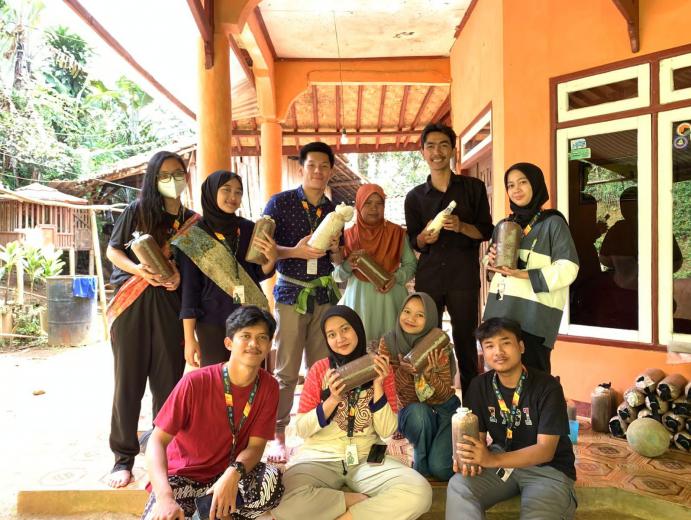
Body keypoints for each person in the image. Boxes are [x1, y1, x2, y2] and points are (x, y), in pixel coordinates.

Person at [272, 305, 432, 520]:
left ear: (357, 328)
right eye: (331, 334)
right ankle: (350, 501)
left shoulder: (379, 367)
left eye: (345, 329)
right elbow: (301, 429)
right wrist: (332, 400)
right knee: (281, 502)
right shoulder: (319, 370)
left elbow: (387, 430)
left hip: (367, 457)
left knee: (420, 492)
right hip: (320, 457)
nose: (340, 339)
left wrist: (378, 385)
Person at [105, 151, 200, 488]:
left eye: (178, 173)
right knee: (128, 383)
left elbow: (197, 271)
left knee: (167, 384)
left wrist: (180, 277)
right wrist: (139, 270)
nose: (173, 180)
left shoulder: (194, 222)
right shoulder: (138, 211)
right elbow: (113, 250)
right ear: (153, 179)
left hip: (171, 309)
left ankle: (163, 452)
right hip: (131, 305)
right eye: (165, 175)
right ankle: (123, 458)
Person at [142, 306, 284, 520]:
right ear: (229, 343)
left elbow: (256, 447)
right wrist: (164, 498)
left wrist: (233, 473)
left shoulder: (269, 387)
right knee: (163, 515)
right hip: (183, 476)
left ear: (269, 344)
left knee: (271, 483)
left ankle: (207, 512)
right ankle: (210, 513)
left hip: (226, 474)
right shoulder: (195, 382)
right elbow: (157, 441)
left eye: (262, 337)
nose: (254, 344)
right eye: (245, 336)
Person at [446, 317, 577, 520]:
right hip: (502, 463)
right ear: (483, 352)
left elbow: (545, 450)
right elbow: (477, 438)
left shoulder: (547, 387)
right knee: (459, 486)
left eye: (505, 343)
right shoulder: (479, 386)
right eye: (489, 346)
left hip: (547, 470)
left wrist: (491, 459)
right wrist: (469, 459)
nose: (498, 352)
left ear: (521, 347)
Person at [263, 141, 344, 462]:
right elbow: (262, 249)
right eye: (312, 165)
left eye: (324, 166)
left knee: (321, 367)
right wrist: (294, 251)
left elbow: (338, 260)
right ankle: (277, 435)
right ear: (301, 168)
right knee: (286, 370)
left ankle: (317, 430)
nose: (318, 171)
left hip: (323, 295)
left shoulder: (334, 211)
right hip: (290, 294)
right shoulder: (280, 203)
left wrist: (336, 248)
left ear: (331, 171)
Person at [405, 123, 493, 394]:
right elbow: (414, 241)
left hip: (462, 278)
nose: (437, 152)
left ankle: (472, 406)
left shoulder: (473, 188)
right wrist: (424, 238)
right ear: (422, 152)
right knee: (427, 343)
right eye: (430, 146)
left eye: (443, 145)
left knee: (466, 343)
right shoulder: (414, 197)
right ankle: (431, 401)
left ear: (453, 150)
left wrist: (462, 226)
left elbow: (486, 230)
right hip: (429, 279)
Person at [174, 170, 277, 367]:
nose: (233, 197)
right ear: (211, 192)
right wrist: (189, 338)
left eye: (238, 192)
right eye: (226, 190)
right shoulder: (193, 237)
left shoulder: (248, 229)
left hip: (250, 317)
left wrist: (271, 259)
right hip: (212, 322)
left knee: (252, 375)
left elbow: (257, 273)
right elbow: (189, 291)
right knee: (216, 378)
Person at [483, 163, 579, 373]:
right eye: (510, 185)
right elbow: (490, 269)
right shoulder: (504, 225)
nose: (516, 189)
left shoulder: (553, 223)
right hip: (499, 317)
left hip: (534, 319)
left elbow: (568, 269)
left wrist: (525, 274)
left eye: (523, 182)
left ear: (536, 185)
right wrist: (490, 261)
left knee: (534, 382)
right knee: (498, 381)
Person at [379, 292, 460, 481]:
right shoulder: (389, 342)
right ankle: (420, 471)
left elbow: (445, 394)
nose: (411, 318)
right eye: (407, 311)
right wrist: (406, 371)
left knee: (441, 469)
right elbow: (390, 392)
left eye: (420, 315)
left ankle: (437, 451)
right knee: (420, 413)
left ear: (430, 318)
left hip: (444, 410)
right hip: (414, 415)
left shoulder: (437, 343)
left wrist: (429, 375)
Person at [333, 183, 417, 341]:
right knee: (361, 348)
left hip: (391, 302)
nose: (374, 208)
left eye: (379, 203)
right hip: (359, 304)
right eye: (368, 203)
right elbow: (336, 276)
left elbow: (411, 265)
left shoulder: (396, 233)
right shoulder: (347, 236)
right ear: (359, 205)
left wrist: (395, 278)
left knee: (391, 348)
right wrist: (348, 264)